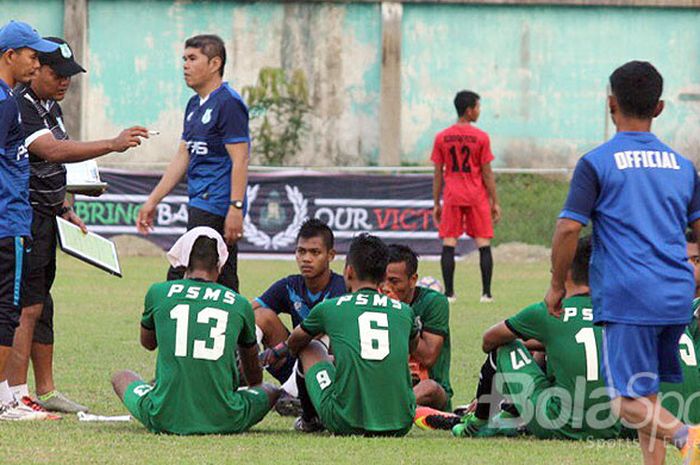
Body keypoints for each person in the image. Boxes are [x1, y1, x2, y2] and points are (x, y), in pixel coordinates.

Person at [545, 61, 700, 464]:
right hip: (676, 295)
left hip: (630, 293)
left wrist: (557, 285)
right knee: (647, 395)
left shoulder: (599, 162)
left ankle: (689, 437)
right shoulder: (684, 167)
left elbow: (566, 230)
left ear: (610, 103)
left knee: (625, 403)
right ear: (660, 107)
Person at [6, 37, 148, 415]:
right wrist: (113, 144)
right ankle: (15, 394)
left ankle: (46, 390)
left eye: (70, 75)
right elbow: (51, 151)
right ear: (35, 70)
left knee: (42, 304)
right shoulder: (20, 105)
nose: (65, 81)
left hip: (48, 214)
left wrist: (66, 205)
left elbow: (56, 166)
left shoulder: (49, 105)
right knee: (25, 307)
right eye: (57, 73)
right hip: (26, 216)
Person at [111, 227, 280, 435]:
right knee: (271, 390)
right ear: (219, 265)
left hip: (163, 415)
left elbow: (148, 343)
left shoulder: (158, 292)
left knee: (122, 376)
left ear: (184, 262)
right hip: (226, 417)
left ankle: (163, 393)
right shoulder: (239, 303)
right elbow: (254, 378)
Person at [452, 236, 622, 440]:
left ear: (564, 272)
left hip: (556, 424)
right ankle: (509, 415)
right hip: (612, 424)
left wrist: (535, 342)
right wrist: (546, 343)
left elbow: (489, 340)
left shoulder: (549, 312)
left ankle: (480, 422)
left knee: (504, 346)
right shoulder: (619, 311)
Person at [136, 34, 249, 292]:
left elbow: (240, 158)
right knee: (220, 275)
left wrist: (236, 207)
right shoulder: (194, 105)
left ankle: (161, 326)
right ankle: (242, 330)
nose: (185, 65)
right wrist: (152, 200)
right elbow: (183, 155)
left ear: (214, 63)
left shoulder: (228, 103)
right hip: (199, 202)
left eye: (192, 58)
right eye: (184, 59)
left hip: (217, 205)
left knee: (183, 271)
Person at [286, 233, 418, 435]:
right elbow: (412, 347)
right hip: (401, 422)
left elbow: (294, 343)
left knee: (309, 347)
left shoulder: (330, 308)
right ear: (383, 277)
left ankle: (310, 420)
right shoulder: (405, 311)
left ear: (348, 271)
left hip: (345, 421)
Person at [0, 20, 58, 421]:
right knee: (8, 311)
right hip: (8, 221)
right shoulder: (5, 102)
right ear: (10, 56)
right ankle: (5, 399)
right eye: (33, 56)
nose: (37, 64)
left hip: (10, 218)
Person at [254, 219, 345, 413]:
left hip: (324, 367)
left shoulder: (341, 288)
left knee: (321, 337)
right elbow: (247, 310)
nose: (306, 258)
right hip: (291, 358)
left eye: (315, 252)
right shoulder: (289, 285)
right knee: (260, 315)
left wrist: (279, 350)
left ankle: (290, 392)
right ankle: (245, 375)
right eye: (301, 251)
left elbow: (316, 335)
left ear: (331, 255)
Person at [431, 90, 500, 303]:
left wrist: (436, 202)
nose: (479, 111)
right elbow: (487, 172)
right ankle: (486, 294)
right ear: (469, 110)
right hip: (476, 195)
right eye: (478, 107)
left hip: (452, 195)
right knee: (483, 243)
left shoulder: (442, 137)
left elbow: (438, 172)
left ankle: (449, 293)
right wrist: (494, 201)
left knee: (449, 243)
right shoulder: (481, 137)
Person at [382, 244, 453, 410]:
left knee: (430, 388)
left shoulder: (434, 302)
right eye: (381, 280)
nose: (386, 287)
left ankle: (391, 410)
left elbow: (428, 356)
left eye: (393, 281)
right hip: (386, 384)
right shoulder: (373, 300)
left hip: (425, 388)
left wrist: (399, 312)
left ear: (413, 280)